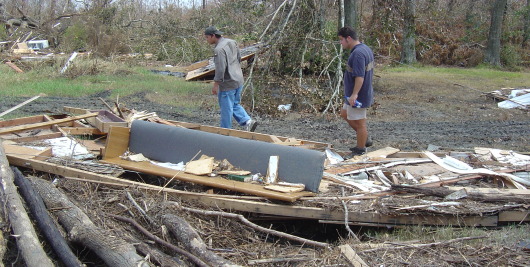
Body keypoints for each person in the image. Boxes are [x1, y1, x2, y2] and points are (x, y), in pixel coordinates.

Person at [204, 26, 257, 132]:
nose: (207, 40)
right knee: (234, 104)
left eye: (207, 37)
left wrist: (216, 85)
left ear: (213, 36)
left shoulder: (219, 50)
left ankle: (225, 132)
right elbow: (239, 58)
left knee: (226, 109)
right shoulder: (232, 42)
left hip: (228, 83)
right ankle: (247, 122)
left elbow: (220, 69)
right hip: (239, 79)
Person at [338, 26, 374, 156]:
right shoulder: (364, 48)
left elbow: (360, 77)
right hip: (353, 94)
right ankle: (365, 138)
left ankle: (360, 149)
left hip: (358, 95)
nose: (340, 43)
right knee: (344, 113)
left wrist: (354, 94)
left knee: (360, 124)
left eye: (341, 40)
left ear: (348, 38)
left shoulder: (358, 54)